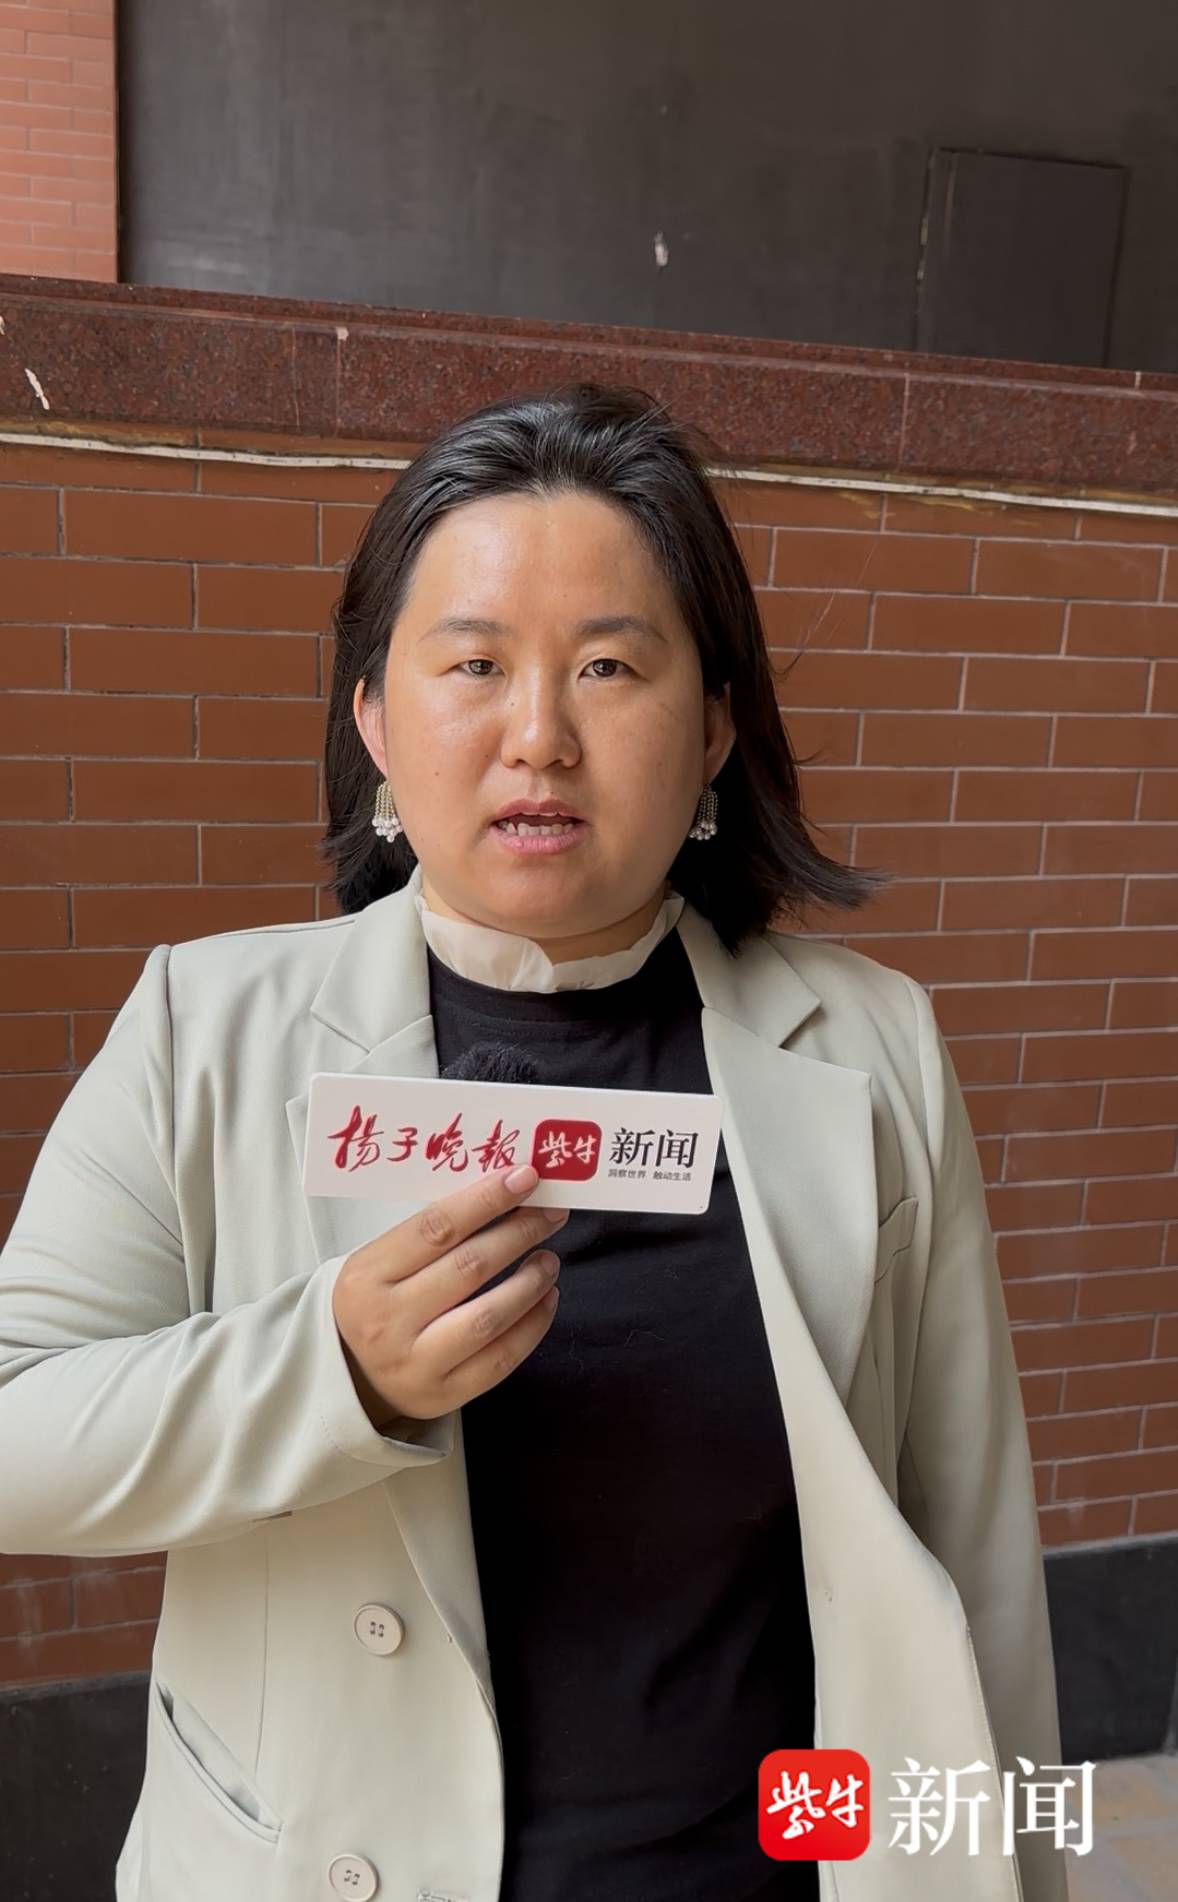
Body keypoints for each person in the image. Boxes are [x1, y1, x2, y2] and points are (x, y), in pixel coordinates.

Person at [0, 382, 1068, 1902]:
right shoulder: (202, 1027)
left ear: (714, 726)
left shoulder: (869, 1046)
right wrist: (335, 1369)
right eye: (475, 664)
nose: (539, 737)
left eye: (609, 666)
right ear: (376, 718)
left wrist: (1007, 1870)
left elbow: (968, 1556)